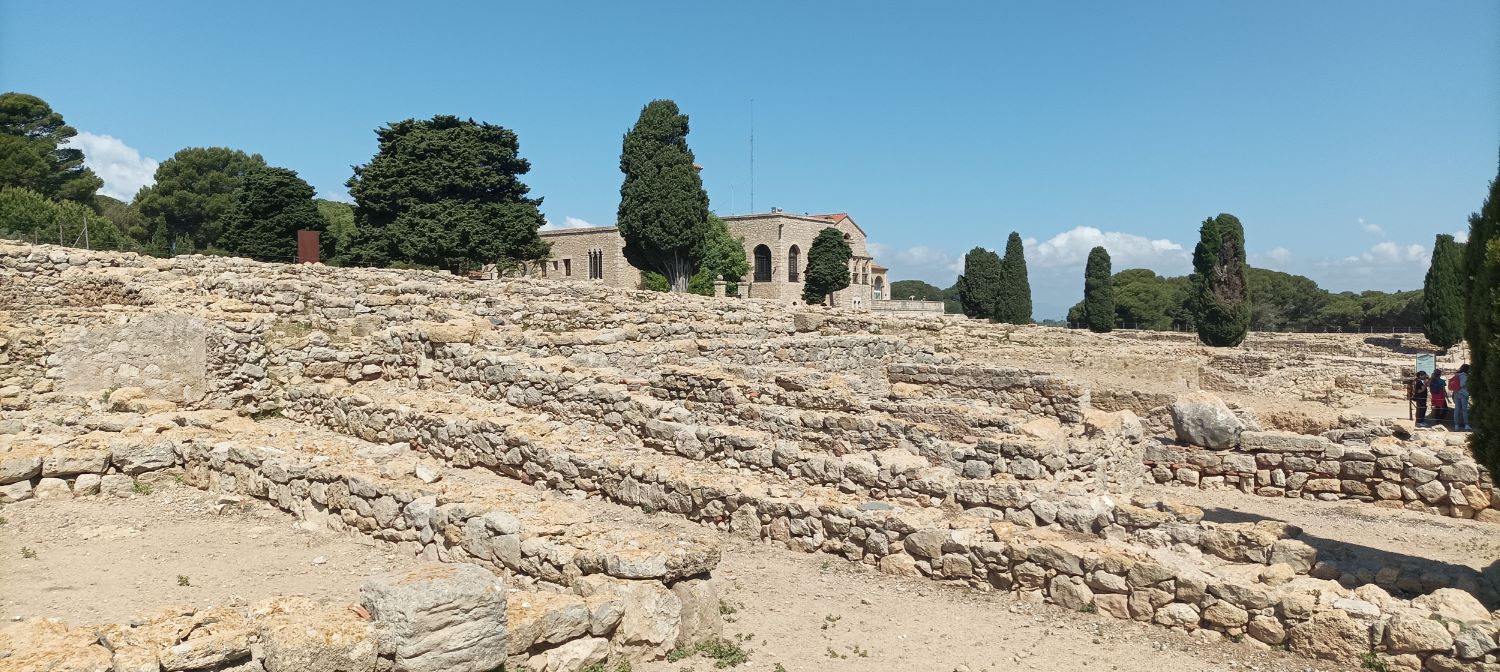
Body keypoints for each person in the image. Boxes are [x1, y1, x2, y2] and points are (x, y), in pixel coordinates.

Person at [1451, 363, 1471, 431]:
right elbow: (1462, 384)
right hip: (1463, 394)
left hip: (1456, 393)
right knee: (1464, 410)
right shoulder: (1464, 376)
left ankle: (1456, 425)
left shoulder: (1457, 375)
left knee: (1456, 410)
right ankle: (1466, 425)